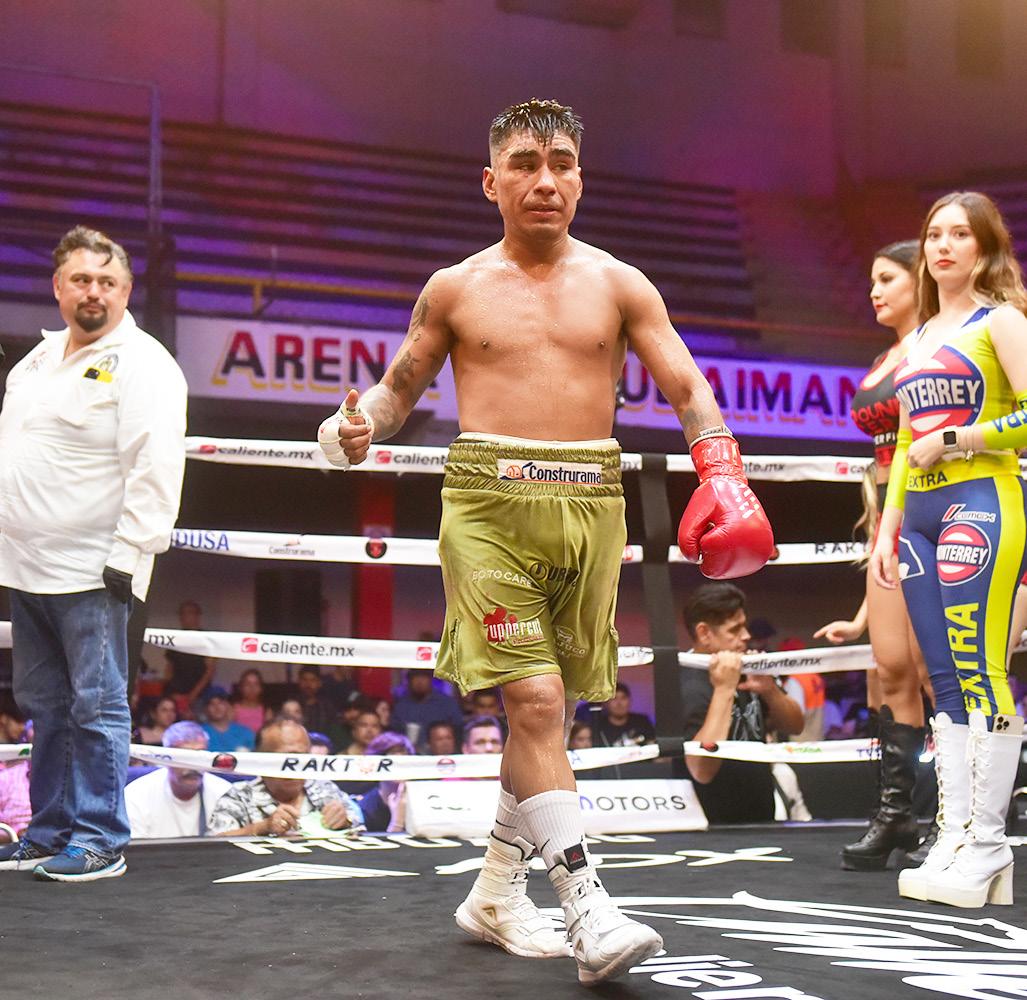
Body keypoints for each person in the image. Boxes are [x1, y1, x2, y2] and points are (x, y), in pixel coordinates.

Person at [316, 99, 773, 982]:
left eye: (560, 162)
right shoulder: (454, 287)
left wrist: (721, 471)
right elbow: (397, 388)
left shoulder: (620, 283)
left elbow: (687, 388)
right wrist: (355, 425)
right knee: (531, 704)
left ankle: (493, 892)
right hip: (488, 507)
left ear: (580, 179)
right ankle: (586, 904)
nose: (544, 180)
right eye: (524, 164)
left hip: (591, 505)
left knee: (550, 719)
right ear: (491, 182)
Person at [0, 226, 188, 881]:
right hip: (25, 567)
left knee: (97, 706)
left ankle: (101, 838)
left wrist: (130, 553)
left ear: (126, 291)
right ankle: (49, 832)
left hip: (93, 568)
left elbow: (156, 467)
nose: (93, 292)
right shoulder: (34, 361)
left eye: (107, 282)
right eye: (81, 279)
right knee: (43, 704)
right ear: (58, 286)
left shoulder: (144, 363)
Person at [870, 191, 1027, 908]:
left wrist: (961, 437)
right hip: (920, 519)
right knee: (942, 677)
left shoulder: (1001, 321)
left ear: (984, 247)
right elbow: (907, 440)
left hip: (981, 500)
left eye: (959, 234)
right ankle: (957, 834)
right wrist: (887, 526)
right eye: (933, 233)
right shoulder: (922, 334)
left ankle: (989, 841)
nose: (942, 246)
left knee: (980, 668)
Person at [815, 240, 931, 871]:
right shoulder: (886, 357)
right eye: (871, 280)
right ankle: (896, 816)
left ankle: (958, 818)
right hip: (889, 513)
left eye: (887, 279)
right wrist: (860, 614)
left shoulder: (945, 345)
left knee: (938, 671)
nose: (874, 292)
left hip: (938, 507)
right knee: (891, 670)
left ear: (920, 279)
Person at [681, 583, 804, 824]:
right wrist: (724, 689)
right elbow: (701, 770)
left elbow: (795, 726)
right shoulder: (686, 683)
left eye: (744, 626)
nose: (746, 636)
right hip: (709, 827)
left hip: (761, 816)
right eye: (735, 629)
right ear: (704, 633)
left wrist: (770, 690)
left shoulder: (746, 670)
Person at [208, 720, 363, 837]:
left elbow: (360, 829)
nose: (293, 767)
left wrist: (344, 821)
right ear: (261, 759)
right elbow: (215, 843)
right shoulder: (239, 796)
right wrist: (262, 828)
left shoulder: (324, 789)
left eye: (301, 758)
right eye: (286, 759)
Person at [124, 722, 232, 839]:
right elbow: (134, 848)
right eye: (185, 757)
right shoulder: (136, 795)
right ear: (166, 759)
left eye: (200, 757)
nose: (193, 766)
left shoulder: (225, 794)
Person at [163, 601, 216, 717]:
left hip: (200, 695)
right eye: (182, 614)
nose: (184, 617)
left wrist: (192, 695)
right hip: (176, 693)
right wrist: (171, 691)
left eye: (188, 613)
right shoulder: (175, 638)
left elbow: (210, 671)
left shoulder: (207, 639)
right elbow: (169, 668)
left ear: (197, 616)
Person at [391, 669, 464, 749]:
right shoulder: (401, 706)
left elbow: (458, 732)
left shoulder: (447, 703)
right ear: (409, 680)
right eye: (415, 677)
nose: (419, 681)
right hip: (409, 753)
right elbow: (394, 735)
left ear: (430, 679)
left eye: (424, 677)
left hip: (441, 753)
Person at [357, 732, 415, 833]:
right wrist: (397, 823)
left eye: (403, 753)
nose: (399, 759)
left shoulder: (422, 800)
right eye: (392, 753)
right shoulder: (364, 808)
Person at [593, 682, 655, 747]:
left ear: (630, 701)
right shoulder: (598, 726)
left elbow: (653, 743)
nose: (619, 703)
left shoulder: (642, 722)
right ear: (606, 703)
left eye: (623, 698)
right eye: (614, 699)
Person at [0, 719, 32, 844]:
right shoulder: (7, 777)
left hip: (50, 839)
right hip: (12, 841)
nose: (22, 727)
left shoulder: (67, 778)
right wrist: (16, 832)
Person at [201, 688, 256, 753]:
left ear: (228, 705)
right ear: (206, 709)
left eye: (221, 703)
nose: (217, 707)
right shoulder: (199, 733)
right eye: (211, 704)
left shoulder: (246, 733)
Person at [295, 666, 336, 735]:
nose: (308, 684)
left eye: (313, 680)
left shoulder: (327, 706)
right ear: (299, 681)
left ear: (319, 683)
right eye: (304, 680)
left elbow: (334, 729)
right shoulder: (292, 704)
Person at [232, 668, 269, 735]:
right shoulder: (233, 710)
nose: (252, 688)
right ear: (241, 687)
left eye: (256, 684)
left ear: (261, 688)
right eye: (247, 684)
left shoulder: (266, 711)